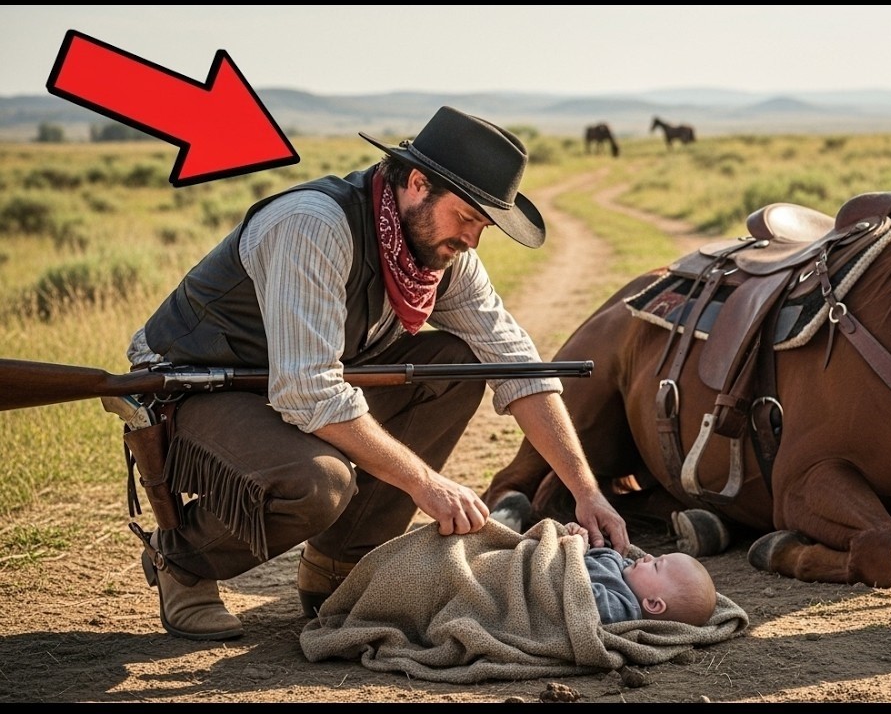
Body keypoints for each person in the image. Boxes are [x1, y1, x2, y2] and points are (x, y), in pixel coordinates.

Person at [126, 105, 631, 641]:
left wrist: (585, 490)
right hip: (197, 385)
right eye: (466, 218)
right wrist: (425, 483)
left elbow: (516, 362)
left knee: (456, 364)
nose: (471, 241)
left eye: (482, 227)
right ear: (417, 184)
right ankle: (181, 561)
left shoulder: (438, 255)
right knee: (317, 483)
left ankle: (339, 569)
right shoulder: (313, 226)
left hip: (296, 383)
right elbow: (310, 391)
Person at [562, 523, 717, 626]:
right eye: (656, 557)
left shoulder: (621, 607)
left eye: (656, 565)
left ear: (652, 604)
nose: (649, 556)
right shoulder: (626, 571)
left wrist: (575, 551)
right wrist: (583, 541)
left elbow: (580, 594)